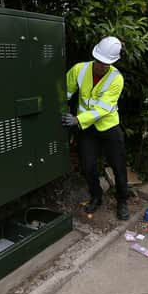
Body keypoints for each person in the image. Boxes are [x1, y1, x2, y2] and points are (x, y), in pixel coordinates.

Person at [62, 36, 129, 220]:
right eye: (98, 61)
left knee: (118, 167)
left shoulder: (116, 79)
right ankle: (96, 196)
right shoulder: (79, 69)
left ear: (112, 62)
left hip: (109, 127)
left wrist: (77, 120)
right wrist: (61, 108)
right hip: (87, 130)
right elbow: (64, 92)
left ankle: (123, 201)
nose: (100, 65)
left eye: (105, 63)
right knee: (88, 166)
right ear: (94, 55)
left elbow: (103, 108)